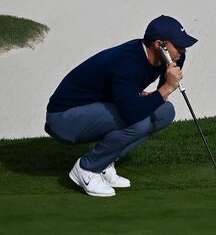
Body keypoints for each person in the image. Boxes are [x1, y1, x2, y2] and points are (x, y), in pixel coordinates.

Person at [45, 16, 197, 198]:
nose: (183, 50)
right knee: (138, 122)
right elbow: (133, 112)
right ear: (159, 45)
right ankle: (87, 168)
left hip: (97, 107)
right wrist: (166, 88)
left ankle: (105, 161)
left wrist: (158, 93)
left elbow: (161, 95)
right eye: (178, 46)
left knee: (165, 112)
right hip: (65, 118)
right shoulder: (127, 62)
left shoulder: (173, 57)